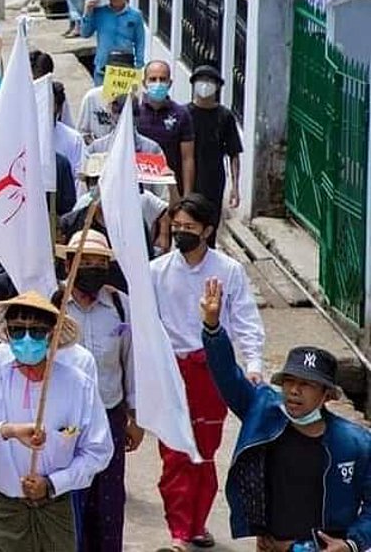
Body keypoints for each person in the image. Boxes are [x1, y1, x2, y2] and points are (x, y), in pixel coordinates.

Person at [201, 284, 371, 552]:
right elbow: (228, 377)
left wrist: (351, 544)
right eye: (289, 381)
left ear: (327, 395)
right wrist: (213, 329)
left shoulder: (356, 444)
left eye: (306, 384)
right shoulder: (263, 413)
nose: (294, 390)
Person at [0, 292, 114, 552]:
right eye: (17, 331)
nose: (26, 339)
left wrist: (54, 483)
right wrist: (7, 430)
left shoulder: (78, 385)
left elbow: (99, 451)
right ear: (7, 335)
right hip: (6, 510)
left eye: (36, 332)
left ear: (51, 335)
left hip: (56, 508)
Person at [151, 193, 265, 552]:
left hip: (211, 370)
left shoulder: (228, 270)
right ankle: (179, 531)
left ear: (207, 230)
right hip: (171, 369)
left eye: (190, 227)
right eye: (177, 226)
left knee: (204, 450)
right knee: (174, 452)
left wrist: (254, 364)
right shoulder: (156, 272)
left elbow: (246, 320)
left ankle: (197, 523)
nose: (182, 232)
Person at [54, 231, 141, 552]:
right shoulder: (53, 304)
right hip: (64, 422)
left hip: (109, 417)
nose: (92, 268)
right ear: (68, 264)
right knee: (69, 502)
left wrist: (135, 416)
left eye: (99, 263)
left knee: (108, 506)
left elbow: (131, 360)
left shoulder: (120, 305)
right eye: (85, 262)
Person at [187, 65, 243, 244]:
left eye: (210, 81)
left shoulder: (225, 116)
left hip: (213, 180)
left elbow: (234, 153)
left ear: (217, 87)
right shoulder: (184, 114)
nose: (205, 85)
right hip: (187, 178)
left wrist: (235, 187)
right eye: (201, 81)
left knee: (209, 224)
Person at [138, 60, 196, 196]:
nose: (158, 83)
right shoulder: (135, 112)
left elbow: (188, 158)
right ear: (144, 83)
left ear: (170, 83)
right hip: (138, 187)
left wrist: (187, 196)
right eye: (152, 79)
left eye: (162, 79)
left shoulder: (181, 114)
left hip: (169, 190)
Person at [79, 0, 145, 85]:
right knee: (102, 100)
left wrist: (139, 65)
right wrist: (87, 13)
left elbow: (140, 41)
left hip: (124, 68)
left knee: (123, 100)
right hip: (103, 67)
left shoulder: (135, 15)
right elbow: (85, 33)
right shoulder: (100, 13)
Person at [76, 51, 136, 144]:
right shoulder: (92, 97)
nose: (118, 79)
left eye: (122, 75)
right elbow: (81, 133)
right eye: (114, 74)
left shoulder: (136, 100)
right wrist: (97, 145)